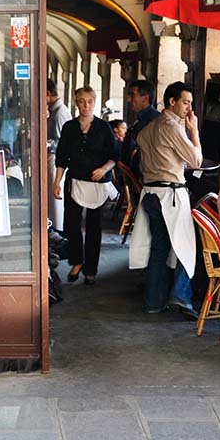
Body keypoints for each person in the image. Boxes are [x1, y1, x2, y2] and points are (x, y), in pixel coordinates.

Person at [130, 81, 202, 318]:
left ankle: (153, 301)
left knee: (159, 249)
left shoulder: (147, 129)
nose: (188, 108)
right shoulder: (171, 126)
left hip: (150, 194)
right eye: (185, 102)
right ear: (172, 101)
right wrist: (195, 132)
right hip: (170, 194)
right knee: (185, 247)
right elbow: (195, 161)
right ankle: (181, 296)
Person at [52, 86, 119, 285]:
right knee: (71, 223)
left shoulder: (103, 127)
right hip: (75, 179)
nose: (85, 105)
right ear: (76, 103)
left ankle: (91, 269)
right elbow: (62, 156)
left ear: (95, 102)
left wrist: (104, 169)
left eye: (89, 101)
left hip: (98, 182)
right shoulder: (70, 127)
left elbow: (115, 155)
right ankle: (77, 261)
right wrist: (57, 181)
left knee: (94, 225)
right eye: (81, 101)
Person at [45, 78, 72, 236]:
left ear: (48, 94)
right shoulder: (54, 111)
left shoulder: (61, 112)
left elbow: (64, 140)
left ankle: (58, 230)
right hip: (52, 157)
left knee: (56, 198)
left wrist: (46, 143)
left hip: (56, 158)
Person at [122, 79, 159, 176]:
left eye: (132, 95)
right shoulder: (139, 120)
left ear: (145, 98)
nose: (128, 99)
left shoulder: (154, 121)